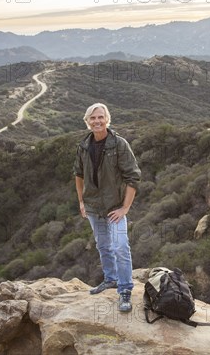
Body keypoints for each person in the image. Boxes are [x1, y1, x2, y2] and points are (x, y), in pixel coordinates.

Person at [73, 103, 141, 312]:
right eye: (93, 118)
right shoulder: (83, 146)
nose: (97, 121)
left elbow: (133, 177)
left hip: (115, 208)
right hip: (94, 208)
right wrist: (82, 202)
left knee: (120, 246)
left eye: (100, 117)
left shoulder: (119, 144)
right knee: (103, 246)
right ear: (87, 121)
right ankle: (110, 279)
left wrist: (125, 208)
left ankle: (125, 290)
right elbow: (79, 175)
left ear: (107, 119)